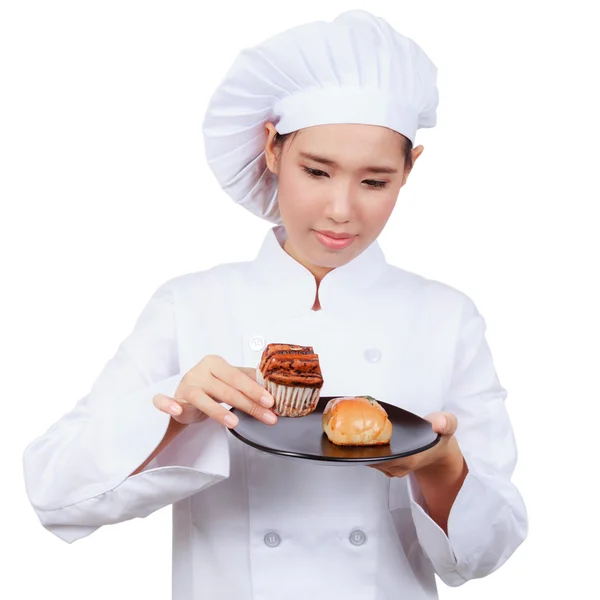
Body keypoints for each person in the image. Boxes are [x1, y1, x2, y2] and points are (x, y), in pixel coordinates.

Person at [22, 9, 527, 600]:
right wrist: (173, 414)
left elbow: (488, 553)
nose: (341, 209)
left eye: (375, 181)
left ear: (410, 170)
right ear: (271, 148)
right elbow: (53, 492)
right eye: (317, 170)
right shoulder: (191, 304)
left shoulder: (447, 318)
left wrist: (441, 465)